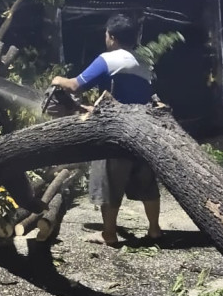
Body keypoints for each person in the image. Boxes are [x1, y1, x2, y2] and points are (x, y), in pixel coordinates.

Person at [51, 13, 163, 247]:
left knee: (109, 184)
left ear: (112, 37)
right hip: (144, 131)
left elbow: (74, 85)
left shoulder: (108, 59)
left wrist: (58, 79)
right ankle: (154, 230)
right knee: (147, 183)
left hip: (116, 133)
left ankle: (109, 234)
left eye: (106, 35)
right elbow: (131, 98)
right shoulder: (144, 63)